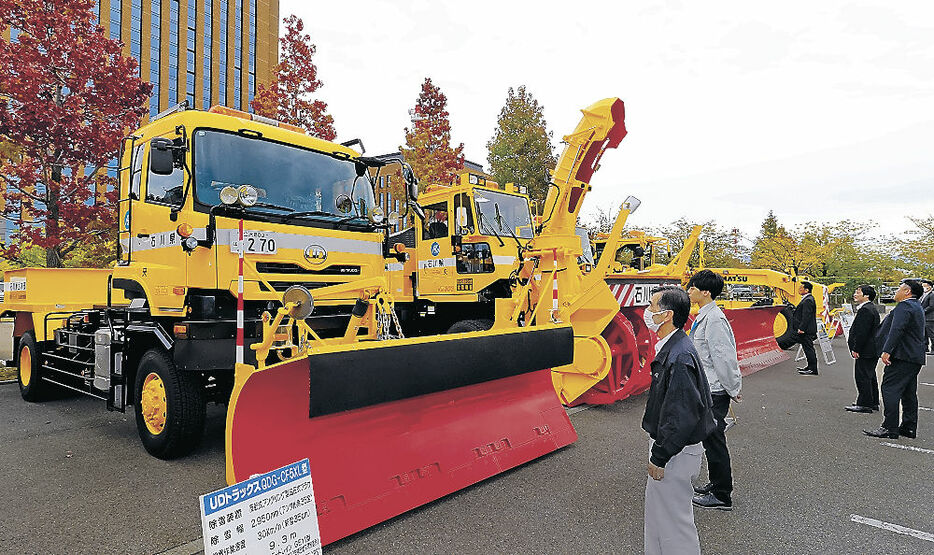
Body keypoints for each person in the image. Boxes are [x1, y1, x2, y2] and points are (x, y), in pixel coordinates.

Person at [642, 286, 716, 555]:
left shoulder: (680, 355)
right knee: (659, 517)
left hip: (675, 451)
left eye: (652, 307)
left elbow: (681, 413)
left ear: (667, 315)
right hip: (672, 447)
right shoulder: (674, 347)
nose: (647, 312)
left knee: (674, 523)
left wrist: (660, 456)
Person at [685, 270, 741, 511]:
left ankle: (721, 494)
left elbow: (724, 357)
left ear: (705, 292)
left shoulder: (714, 320)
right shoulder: (705, 316)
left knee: (715, 440)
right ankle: (715, 484)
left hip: (715, 389)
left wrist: (733, 387)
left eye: (693, 288)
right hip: (708, 386)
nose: (689, 291)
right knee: (711, 439)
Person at [864, 279, 927, 440]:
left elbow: (897, 330)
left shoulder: (905, 306)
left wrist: (887, 350)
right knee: (908, 392)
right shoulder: (917, 306)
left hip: (902, 355)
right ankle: (908, 427)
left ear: (907, 292)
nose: (895, 292)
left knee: (889, 388)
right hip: (914, 356)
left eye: (899, 289)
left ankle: (889, 427)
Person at [845, 285, 881, 413]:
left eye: (858, 292)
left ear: (866, 295)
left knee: (863, 376)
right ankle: (873, 402)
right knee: (870, 376)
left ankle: (864, 404)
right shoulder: (870, 308)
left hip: (866, 349)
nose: (855, 294)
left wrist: (856, 348)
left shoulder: (866, 310)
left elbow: (862, 333)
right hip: (871, 349)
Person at [793, 281, 819, 375]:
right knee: (807, 348)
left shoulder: (808, 300)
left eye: (801, 288)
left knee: (808, 349)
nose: (799, 289)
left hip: (806, 330)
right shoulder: (807, 299)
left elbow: (806, 316)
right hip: (807, 329)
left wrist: (802, 328)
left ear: (806, 290)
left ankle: (812, 368)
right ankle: (810, 367)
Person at [920, 279, 934, 355]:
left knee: (931, 334)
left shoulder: (932, 295)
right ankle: (925, 348)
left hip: (930, 318)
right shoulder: (923, 295)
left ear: (930, 287)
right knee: (924, 334)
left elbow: (931, 306)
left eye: (925, 286)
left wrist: (923, 311)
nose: (924, 288)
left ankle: (933, 349)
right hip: (924, 318)